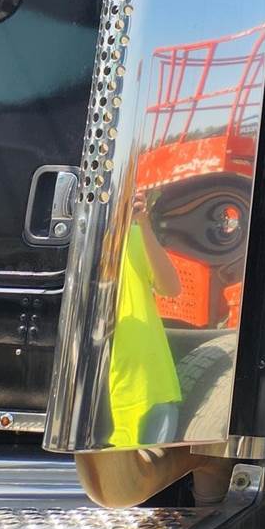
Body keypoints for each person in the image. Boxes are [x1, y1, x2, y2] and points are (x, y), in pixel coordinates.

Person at [107, 191, 184, 447]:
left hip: (148, 391)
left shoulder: (134, 238)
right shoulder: (71, 251)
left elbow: (171, 288)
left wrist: (143, 223)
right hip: (104, 393)